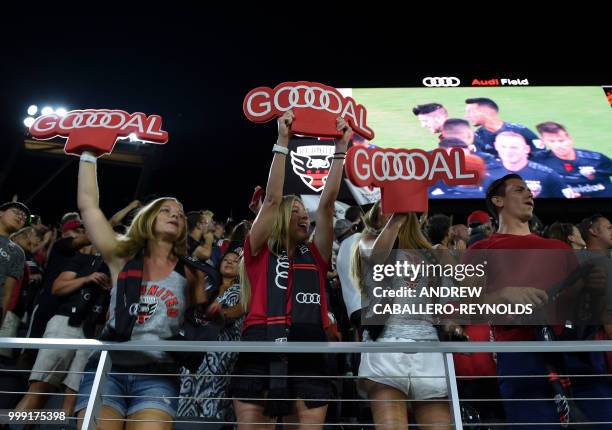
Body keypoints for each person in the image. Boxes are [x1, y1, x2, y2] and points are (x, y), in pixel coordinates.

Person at [230, 110, 351, 429]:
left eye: (304, 212)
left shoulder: (316, 253)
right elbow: (270, 201)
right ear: (281, 217)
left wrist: (341, 150)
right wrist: (283, 141)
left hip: (310, 345)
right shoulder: (257, 250)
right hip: (260, 343)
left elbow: (327, 204)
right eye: (295, 210)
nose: (304, 216)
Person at [72, 149, 208, 430]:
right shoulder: (121, 256)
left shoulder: (191, 270)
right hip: (108, 367)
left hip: (158, 374)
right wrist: (88, 154)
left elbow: (200, 321)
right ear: (148, 217)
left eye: (181, 214)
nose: (175, 215)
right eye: (166, 210)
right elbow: (89, 207)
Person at [469, 173, 612, 427]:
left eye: (529, 190)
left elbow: (581, 312)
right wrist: (502, 295)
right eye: (519, 190)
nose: (529, 194)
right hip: (521, 359)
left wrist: (593, 291)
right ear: (498, 201)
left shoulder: (559, 249)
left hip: (576, 357)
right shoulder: (481, 251)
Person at [356, 210, 453, 430]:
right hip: (386, 345)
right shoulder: (368, 242)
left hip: (429, 348)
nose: (388, 213)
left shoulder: (432, 254)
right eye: (384, 210)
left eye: (393, 208)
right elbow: (376, 259)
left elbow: (446, 304)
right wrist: (396, 220)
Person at [16, 245, 111, 416]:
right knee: (40, 387)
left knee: (74, 394)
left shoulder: (124, 269)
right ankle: (12, 427)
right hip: (66, 323)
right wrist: (87, 279)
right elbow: (57, 287)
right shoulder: (83, 259)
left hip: (95, 332)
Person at [178, 249, 244, 421]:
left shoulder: (243, 289)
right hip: (195, 346)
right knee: (186, 394)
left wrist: (220, 314)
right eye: (226, 260)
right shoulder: (208, 286)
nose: (229, 262)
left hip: (221, 353)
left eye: (235, 261)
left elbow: (237, 311)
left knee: (214, 396)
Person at [534, 121, 612, 197]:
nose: (558, 145)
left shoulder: (596, 159)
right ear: (543, 142)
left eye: (561, 140)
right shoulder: (539, 161)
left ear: (570, 139)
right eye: (551, 141)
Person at [484, 132, 571, 198]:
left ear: (526, 149)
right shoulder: (487, 173)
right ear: (496, 146)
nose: (508, 151)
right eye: (503, 147)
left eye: (514, 147)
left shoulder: (547, 175)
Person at [464, 97, 546, 156]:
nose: (467, 116)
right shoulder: (477, 137)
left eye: (471, 112)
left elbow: (540, 154)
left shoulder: (520, 130)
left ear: (487, 112)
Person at [0, 201, 28, 321]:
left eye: (24, 217)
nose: (20, 217)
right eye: (16, 212)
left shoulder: (18, 253)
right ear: (0, 213)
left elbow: (7, 293)